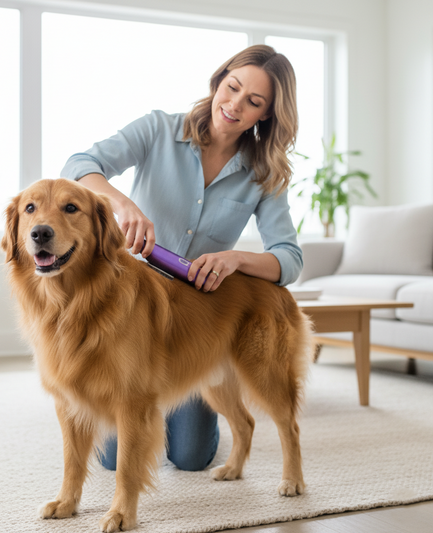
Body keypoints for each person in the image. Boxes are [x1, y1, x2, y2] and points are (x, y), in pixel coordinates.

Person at [60, 44, 303, 472]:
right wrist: (121, 203)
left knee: (190, 458)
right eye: (232, 87)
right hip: (132, 304)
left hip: (196, 317)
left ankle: (185, 410)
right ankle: (154, 403)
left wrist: (235, 260)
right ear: (219, 80)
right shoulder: (158, 129)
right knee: (116, 460)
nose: (234, 105)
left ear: (265, 114)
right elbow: (81, 163)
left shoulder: (262, 173)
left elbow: (289, 258)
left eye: (254, 102)